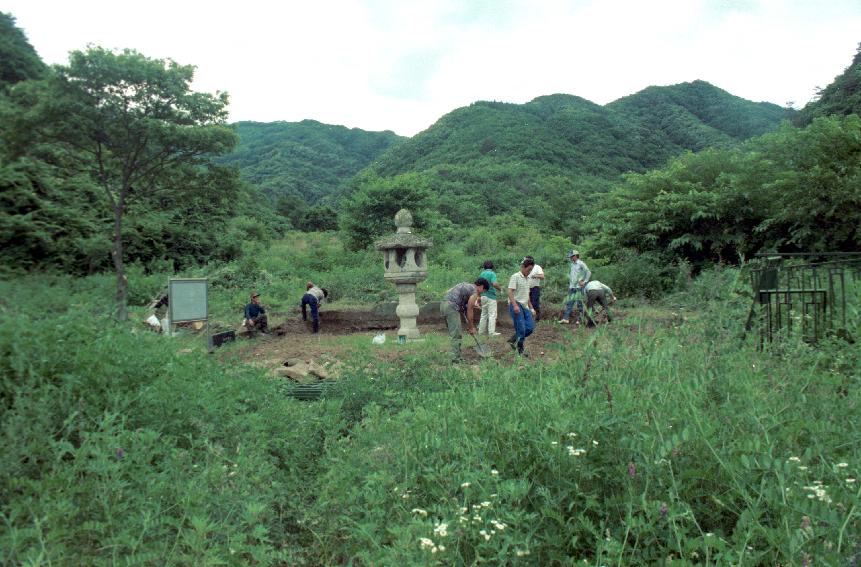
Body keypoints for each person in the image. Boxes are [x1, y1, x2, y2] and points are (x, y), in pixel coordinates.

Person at [440, 278, 488, 363]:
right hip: (452, 307)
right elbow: (470, 310)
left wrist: (469, 326)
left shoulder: (467, 286)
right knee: (456, 334)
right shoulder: (474, 292)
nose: (482, 293)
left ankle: (455, 355)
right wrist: (472, 327)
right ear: (481, 287)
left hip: (444, 305)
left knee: (454, 333)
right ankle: (456, 358)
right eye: (483, 291)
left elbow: (464, 308)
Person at [507, 257, 536, 356]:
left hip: (525, 306)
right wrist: (514, 305)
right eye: (529, 270)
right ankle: (520, 350)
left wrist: (531, 308)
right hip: (516, 304)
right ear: (523, 267)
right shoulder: (515, 276)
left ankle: (513, 339)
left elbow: (527, 295)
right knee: (521, 328)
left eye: (531, 270)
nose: (529, 272)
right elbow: (510, 291)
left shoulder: (528, 279)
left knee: (530, 328)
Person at [559, 250, 591, 324]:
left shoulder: (581, 263)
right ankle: (565, 319)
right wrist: (570, 285)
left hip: (579, 287)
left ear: (576, 256)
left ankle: (580, 320)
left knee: (580, 303)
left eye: (571, 256)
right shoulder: (572, 264)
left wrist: (585, 281)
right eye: (570, 257)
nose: (570, 258)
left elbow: (588, 272)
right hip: (572, 287)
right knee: (569, 303)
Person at [478, 261, 503, 336]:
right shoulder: (492, 274)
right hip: (491, 296)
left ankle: (481, 332)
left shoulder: (482, 274)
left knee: (483, 314)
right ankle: (491, 332)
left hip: (483, 296)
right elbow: (494, 284)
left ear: (484, 267)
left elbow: (478, 285)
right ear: (492, 267)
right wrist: (500, 289)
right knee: (492, 314)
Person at [525, 256, 545, 321]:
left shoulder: (537, 267)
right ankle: (529, 317)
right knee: (527, 303)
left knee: (534, 303)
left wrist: (535, 275)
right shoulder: (525, 267)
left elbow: (542, 276)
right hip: (527, 288)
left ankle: (537, 318)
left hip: (535, 288)